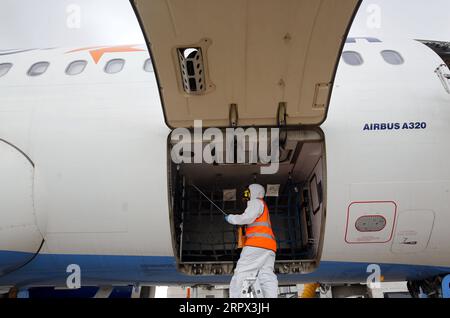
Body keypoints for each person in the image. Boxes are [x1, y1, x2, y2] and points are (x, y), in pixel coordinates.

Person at [225, 184, 278, 298]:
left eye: (248, 192)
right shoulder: (264, 205)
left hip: (256, 245)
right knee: (266, 276)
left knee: (241, 272)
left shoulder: (256, 202)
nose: (246, 195)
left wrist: (231, 218)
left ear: (254, 192)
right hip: (270, 247)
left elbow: (247, 217)